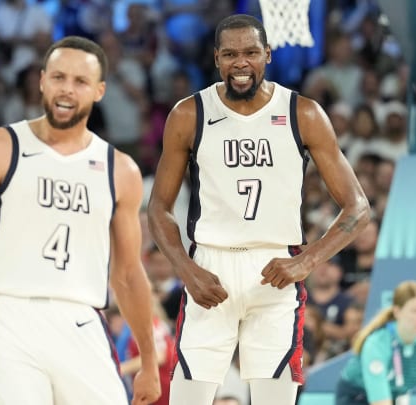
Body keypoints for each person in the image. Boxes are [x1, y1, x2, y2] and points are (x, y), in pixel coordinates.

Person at [147, 14, 370, 405]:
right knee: (186, 398)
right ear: (216, 59)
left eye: (251, 52)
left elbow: (357, 207)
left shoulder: (304, 113)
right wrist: (186, 270)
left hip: (276, 270)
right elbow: (159, 209)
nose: (241, 62)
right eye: (230, 54)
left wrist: (306, 262)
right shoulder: (188, 114)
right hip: (209, 269)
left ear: (267, 54)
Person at [0, 36, 161, 405]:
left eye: (80, 81)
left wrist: (149, 361)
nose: (67, 90)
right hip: (7, 313)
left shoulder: (120, 169)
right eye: (58, 77)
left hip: (82, 317)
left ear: (99, 90)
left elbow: (127, 274)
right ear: (41, 80)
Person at [335, 280, 416, 405]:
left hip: (392, 393)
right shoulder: (377, 344)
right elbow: (380, 401)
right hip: (355, 395)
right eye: (415, 311)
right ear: (397, 311)